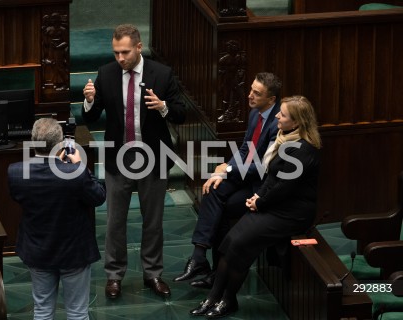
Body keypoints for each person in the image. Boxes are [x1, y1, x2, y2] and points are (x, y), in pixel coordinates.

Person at [189, 95, 322, 318]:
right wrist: (258, 196)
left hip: (292, 213)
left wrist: (260, 201)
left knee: (240, 245)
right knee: (230, 242)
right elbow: (271, 176)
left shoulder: (303, 150)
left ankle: (227, 300)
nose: (278, 116)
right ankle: (214, 298)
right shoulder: (285, 138)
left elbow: (284, 187)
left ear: (297, 122)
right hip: (273, 205)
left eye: (283, 114)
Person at [82, 24, 186, 299]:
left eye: (125, 52)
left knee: (153, 221)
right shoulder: (106, 73)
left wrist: (163, 107)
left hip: (153, 156)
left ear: (139, 47)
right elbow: (92, 118)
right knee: (115, 221)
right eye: (116, 52)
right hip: (120, 157)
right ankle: (114, 276)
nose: (120, 58)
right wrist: (90, 101)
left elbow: (181, 113)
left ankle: (153, 274)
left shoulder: (161, 74)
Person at [174, 72, 282, 288]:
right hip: (243, 175)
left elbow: (264, 167)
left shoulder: (278, 122)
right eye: (251, 89)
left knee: (221, 208)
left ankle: (213, 272)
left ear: (271, 99)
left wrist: (229, 168)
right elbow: (245, 148)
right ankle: (199, 256)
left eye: (256, 93)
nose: (249, 95)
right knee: (212, 189)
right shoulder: (255, 113)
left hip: (260, 186)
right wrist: (222, 172)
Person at [7, 118, 106, 320]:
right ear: (60, 144)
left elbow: (19, 197)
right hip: (74, 252)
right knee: (78, 313)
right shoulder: (75, 173)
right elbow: (98, 197)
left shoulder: (16, 173)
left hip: (38, 250)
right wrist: (80, 166)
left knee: (42, 311)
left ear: (32, 141)